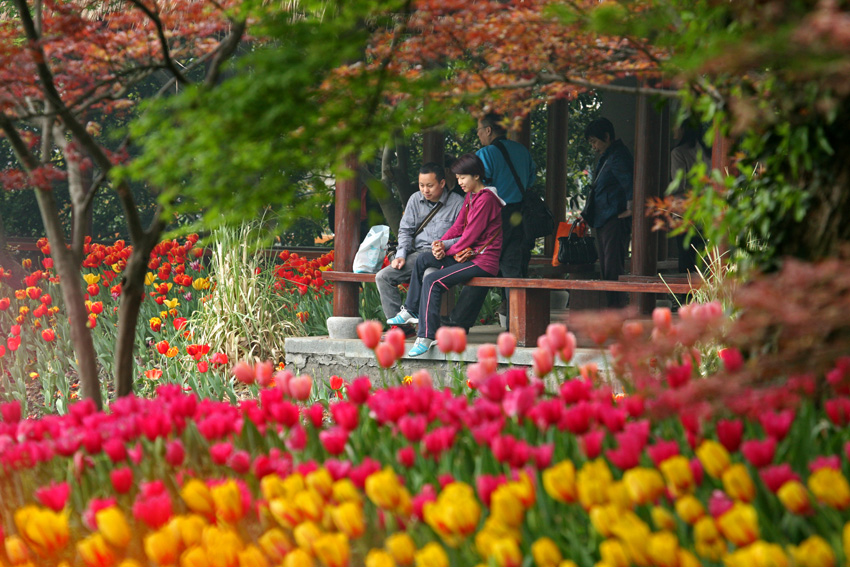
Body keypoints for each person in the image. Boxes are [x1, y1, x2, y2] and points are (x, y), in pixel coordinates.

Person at [387, 153, 503, 356]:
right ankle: (411, 309)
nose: (459, 182)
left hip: (483, 261)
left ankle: (426, 336)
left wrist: (446, 250)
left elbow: (470, 236)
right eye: (457, 178)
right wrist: (439, 244)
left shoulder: (487, 200)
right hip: (468, 255)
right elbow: (458, 227)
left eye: (463, 178)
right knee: (423, 259)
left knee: (432, 280)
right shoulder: (471, 197)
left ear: (476, 176)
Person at [447, 112, 536, 331]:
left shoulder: (486, 153)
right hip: (520, 216)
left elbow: (478, 188)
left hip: (495, 216)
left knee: (480, 264)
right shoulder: (523, 152)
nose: (478, 135)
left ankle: (459, 322)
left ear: (488, 130)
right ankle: (518, 326)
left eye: (478, 130)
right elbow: (531, 180)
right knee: (512, 270)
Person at [375, 163, 464, 337]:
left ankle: (427, 330)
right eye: (421, 185)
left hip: (442, 256)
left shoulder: (457, 204)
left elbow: (464, 236)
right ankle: (401, 329)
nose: (425, 190)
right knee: (383, 276)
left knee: (429, 276)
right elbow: (405, 230)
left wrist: (445, 247)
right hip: (417, 254)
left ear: (442, 183)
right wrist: (401, 255)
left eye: (430, 185)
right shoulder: (415, 199)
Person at [582, 117, 633, 308]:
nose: (594, 147)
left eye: (595, 141)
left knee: (612, 266)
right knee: (607, 266)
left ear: (607, 136)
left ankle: (617, 309)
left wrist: (629, 210)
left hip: (613, 218)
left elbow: (630, 183)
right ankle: (613, 307)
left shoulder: (618, 156)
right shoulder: (610, 155)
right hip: (605, 218)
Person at [670, 121, 710, 274]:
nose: (674, 129)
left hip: (685, 212)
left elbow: (678, 185)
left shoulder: (678, 152)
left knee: (686, 260)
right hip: (705, 211)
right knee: (699, 259)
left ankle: (685, 297)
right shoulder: (706, 152)